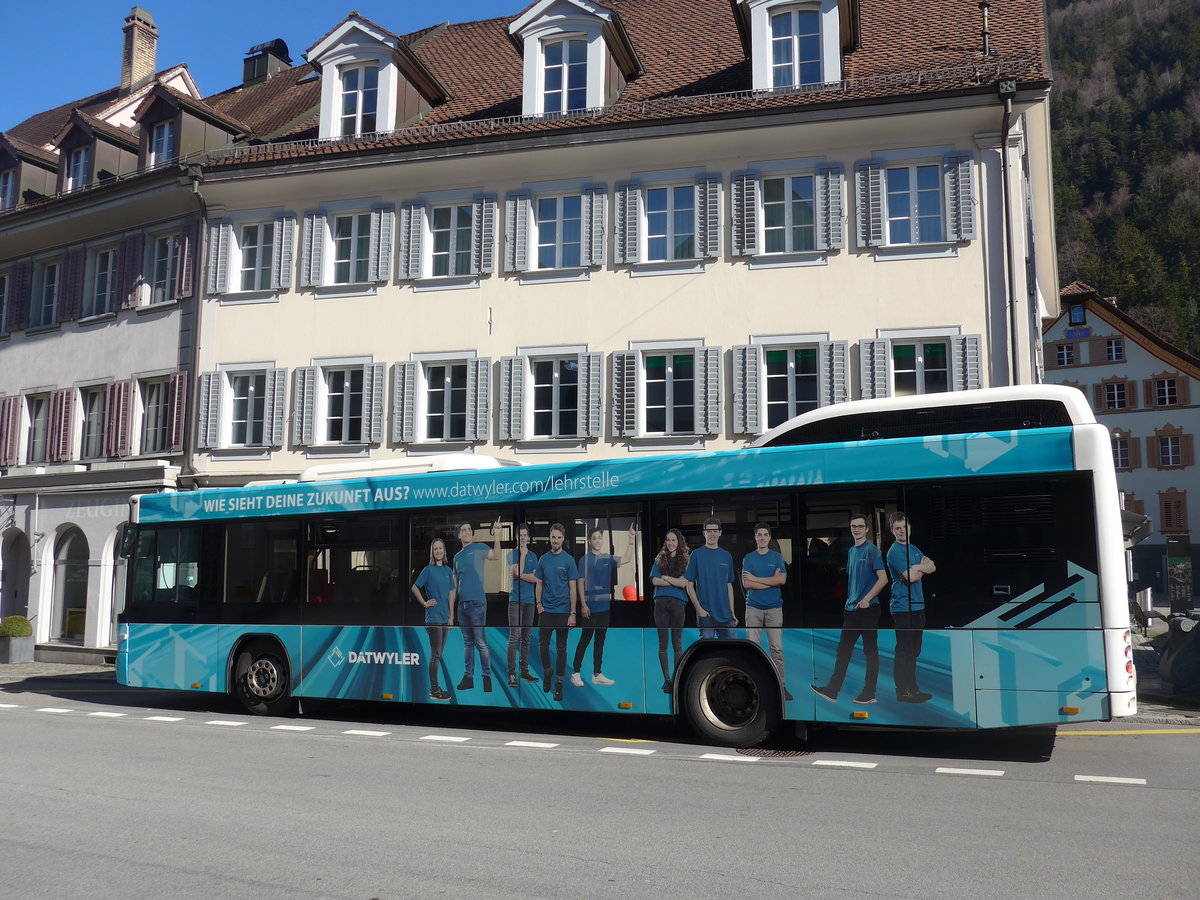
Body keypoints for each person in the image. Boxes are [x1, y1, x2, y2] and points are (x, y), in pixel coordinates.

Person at [811, 514, 887, 705]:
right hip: (851, 611)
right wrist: (850, 602)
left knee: (870, 652)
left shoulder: (872, 551)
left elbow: (883, 578)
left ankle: (869, 693)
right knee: (843, 651)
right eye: (854, 526)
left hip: (868, 610)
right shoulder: (852, 551)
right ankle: (832, 691)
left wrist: (866, 599)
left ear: (867, 529)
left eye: (860, 526)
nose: (857, 529)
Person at [571, 523, 638, 688]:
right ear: (589, 541)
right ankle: (576, 673)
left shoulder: (608, 558)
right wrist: (583, 605)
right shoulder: (584, 560)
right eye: (594, 538)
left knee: (600, 641)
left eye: (600, 538)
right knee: (585, 640)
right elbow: (580, 583)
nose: (598, 541)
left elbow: (628, 559)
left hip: (604, 608)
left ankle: (597, 674)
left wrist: (631, 539)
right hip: (589, 609)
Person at [887, 511, 936, 703]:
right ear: (892, 531)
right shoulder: (895, 552)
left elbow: (933, 567)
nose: (901, 531)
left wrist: (917, 567)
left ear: (909, 528)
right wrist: (920, 567)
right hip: (903, 608)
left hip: (917, 606)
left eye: (904, 527)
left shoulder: (914, 548)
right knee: (905, 651)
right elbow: (912, 577)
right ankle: (903, 692)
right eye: (897, 528)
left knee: (914, 651)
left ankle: (913, 689)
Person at [742, 523, 791, 701]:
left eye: (765, 535)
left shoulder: (777, 557)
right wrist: (771, 580)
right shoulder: (748, 558)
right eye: (759, 535)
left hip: (774, 608)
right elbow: (747, 585)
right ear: (755, 537)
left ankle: (782, 686)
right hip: (753, 607)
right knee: (753, 650)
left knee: (776, 649)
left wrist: (757, 579)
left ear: (769, 537)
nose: (762, 538)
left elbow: (783, 580)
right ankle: (753, 687)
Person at [453, 517, 501, 693]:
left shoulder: (479, 547)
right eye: (463, 530)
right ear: (459, 535)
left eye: (468, 529)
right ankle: (468, 678)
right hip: (462, 605)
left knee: (481, 642)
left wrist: (497, 535)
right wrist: (452, 612)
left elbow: (496, 556)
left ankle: (486, 678)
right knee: (468, 644)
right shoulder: (457, 557)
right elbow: (454, 585)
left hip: (478, 604)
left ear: (472, 533)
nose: (466, 532)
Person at [536, 523, 579, 701]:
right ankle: (547, 671)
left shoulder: (569, 560)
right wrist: (539, 604)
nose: (555, 540)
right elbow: (538, 583)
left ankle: (559, 686)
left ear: (563, 539)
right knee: (542, 647)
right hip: (546, 611)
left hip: (563, 612)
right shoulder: (543, 559)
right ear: (549, 538)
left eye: (559, 537)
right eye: (553, 537)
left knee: (562, 649)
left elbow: (573, 589)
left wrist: (573, 613)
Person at [411, 538, 456, 701]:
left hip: (444, 619)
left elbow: (451, 594)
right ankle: (434, 689)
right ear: (432, 552)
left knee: (438, 654)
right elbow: (415, 587)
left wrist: (451, 616)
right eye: (435, 549)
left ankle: (435, 688)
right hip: (433, 618)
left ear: (444, 551)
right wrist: (424, 602)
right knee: (436, 654)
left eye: (440, 548)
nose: (438, 551)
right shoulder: (428, 570)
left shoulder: (448, 571)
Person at [684, 517, 737, 639]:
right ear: (704, 533)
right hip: (705, 614)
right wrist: (699, 610)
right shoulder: (696, 555)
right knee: (706, 652)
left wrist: (732, 611)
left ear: (720, 533)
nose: (712, 534)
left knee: (731, 652)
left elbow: (729, 586)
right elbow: (689, 585)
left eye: (714, 531)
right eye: (709, 531)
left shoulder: (726, 556)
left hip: (726, 615)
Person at [651, 529, 690, 693]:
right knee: (662, 644)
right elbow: (654, 580)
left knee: (677, 644)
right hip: (660, 603)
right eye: (668, 540)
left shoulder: (686, 561)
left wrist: (665, 578)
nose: (670, 543)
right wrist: (673, 581)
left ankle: (677, 679)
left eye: (673, 540)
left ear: (679, 542)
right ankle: (667, 681)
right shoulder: (660, 558)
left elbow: (684, 584)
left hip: (678, 604)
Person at [507, 523, 540, 688]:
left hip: (529, 602)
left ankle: (524, 671)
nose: (523, 538)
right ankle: (512, 674)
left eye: (525, 535)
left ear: (528, 537)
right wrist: (522, 555)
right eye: (520, 535)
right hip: (515, 601)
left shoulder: (534, 556)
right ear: (517, 537)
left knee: (526, 638)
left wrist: (522, 575)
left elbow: (536, 579)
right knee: (515, 637)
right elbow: (515, 573)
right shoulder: (512, 554)